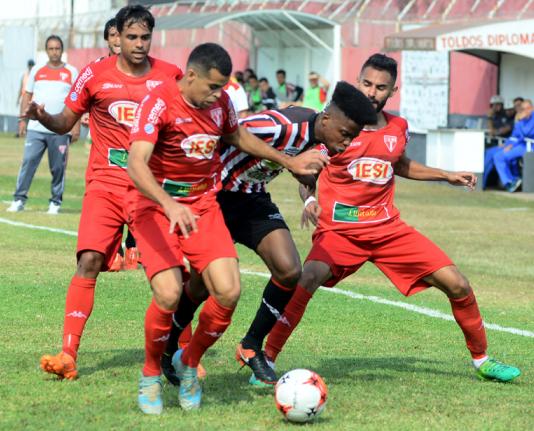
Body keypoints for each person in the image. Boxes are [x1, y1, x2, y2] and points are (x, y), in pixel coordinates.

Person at [260, 53, 521, 385]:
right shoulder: (338, 129)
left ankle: (482, 359)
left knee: (458, 284)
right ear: (357, 83)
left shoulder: (399, 127)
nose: (372, 92)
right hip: (340, 232)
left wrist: (446, 175)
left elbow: (399, 164)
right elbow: (306, 174)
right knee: (306, 278)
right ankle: (266, 358)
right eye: (367, 84)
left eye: (381, 87)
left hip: (388, 230)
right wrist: (310, 199)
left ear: (392, 90)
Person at [127, 42, 328, 414]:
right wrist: (169, 204)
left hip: (203, 206)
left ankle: (187, 364)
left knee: (229, 290)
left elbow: (239, 137)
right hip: (156, 207)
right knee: (170, 294)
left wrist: (288, 161)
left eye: (222, 88)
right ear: (190, 76)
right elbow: (136, 163)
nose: (219, 95)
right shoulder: (157, 103)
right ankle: (151, 372)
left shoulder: (219, 105)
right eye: (213, 87)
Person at [160, 81, 377, 387]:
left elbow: (303, 172)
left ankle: (250, 346)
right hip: (217, 197)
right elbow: (232, 130)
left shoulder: (323, 141)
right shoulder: (279, 125)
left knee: (290, 270)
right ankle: (169, 346)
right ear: (326, 119)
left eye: (352, 138)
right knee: (202, 282)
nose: (345, 144)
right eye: (344, 135)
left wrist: (309, 192)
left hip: (252, 199)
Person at [27, 5, 182, 381]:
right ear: (118, 37)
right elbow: (66, 120)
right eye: (132, 37)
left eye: (145, 37)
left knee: (168, 275)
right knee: (90, 260)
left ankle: (178, 355)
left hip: (149, 189)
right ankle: (68, 352)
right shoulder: (94, 74)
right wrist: (43, 117)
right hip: (106, 185)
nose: (139, 44)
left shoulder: (169, 76)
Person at [7, 36, 79, 214]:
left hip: (60, 128)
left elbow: (78, 101)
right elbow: (27, 95)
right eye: (51, 48)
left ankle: (55, 202)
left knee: (57, 167)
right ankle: (18, 199)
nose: (54, 52)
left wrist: (75, 126)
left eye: (57, 48)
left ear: (62, 50)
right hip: (36, 129)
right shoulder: (37, 71)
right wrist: (22, 120)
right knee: (28, 162)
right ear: (46, 51)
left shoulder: (72, 71)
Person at [493, 99, 534, 192]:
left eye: (526, 108)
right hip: (522, 144)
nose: (524, 111)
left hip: (531, 145)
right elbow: (519, 135)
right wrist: (511, 145)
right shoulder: (521, 120)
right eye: (523, 109)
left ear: (532, 108)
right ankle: (509, 182)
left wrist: (519, 120)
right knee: (498, 156)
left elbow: (526, 132)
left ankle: (515, 180)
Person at [16, 58, 35, 137]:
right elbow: (21, 87)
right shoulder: (25, 75)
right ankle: (20, 131)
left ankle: (28, 132)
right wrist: (18, 99)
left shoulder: (35, 75)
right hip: (24, 98)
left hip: (33, 99)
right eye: (30, 65)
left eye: (32, 65)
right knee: (22, 115)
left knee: (30, 116)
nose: (30, 67)